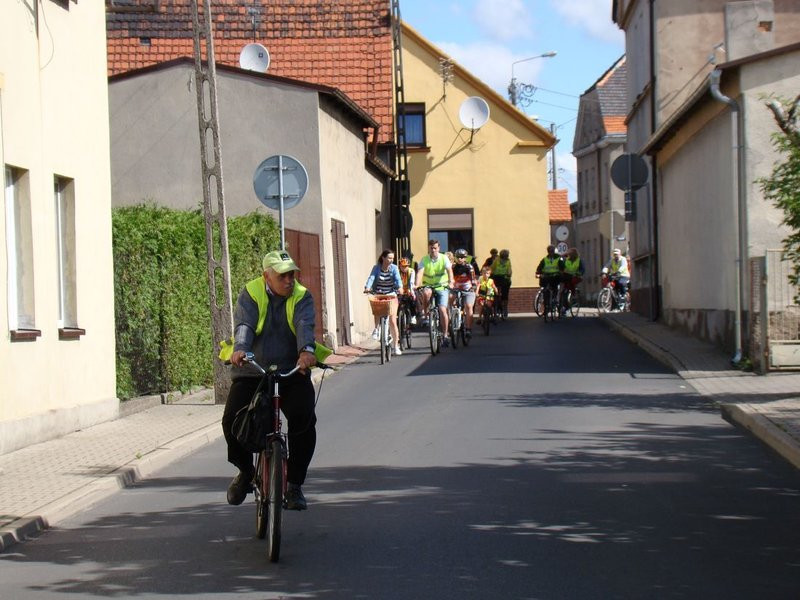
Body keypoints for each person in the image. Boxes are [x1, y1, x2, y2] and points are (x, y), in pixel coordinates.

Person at [221, 250, 327, 511]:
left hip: (292, 370)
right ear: (266, 276)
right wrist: (241, 350)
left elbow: (305, 324)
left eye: (292, 274)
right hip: (253, 371)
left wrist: (306, 352)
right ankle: (246, 472)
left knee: (304, 419)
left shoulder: (301, 295)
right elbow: (244, 325)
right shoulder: (252, 292)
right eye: (282, 275)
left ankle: (294, 486)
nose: (289, 280)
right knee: (232, 420)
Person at [416, 239, 455, 347]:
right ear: (428, 248)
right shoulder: (424, 259)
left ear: (439, 248)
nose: (433, 250)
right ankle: (426, 315)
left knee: (443, 310)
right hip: (428, 285)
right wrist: (417, 284)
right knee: (426, 293)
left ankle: (445, 335)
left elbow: (449, 271)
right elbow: (420, 272)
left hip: (442, 286)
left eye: (435, 248)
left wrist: (451, 281)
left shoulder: (444, 258)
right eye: (431, 248)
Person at [364, 249, 403, 355]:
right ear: (383, 258)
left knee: (393, 321)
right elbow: (371, 278)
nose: (391, 260)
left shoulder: (394, 268)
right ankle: (376, 329)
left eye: (392, 258)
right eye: (389, 258)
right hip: (379, 294)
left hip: (391, 295)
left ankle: (396, 346)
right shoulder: (376, 268)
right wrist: (368, 287)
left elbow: (398, 279)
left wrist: (400, 287)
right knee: (376, 309)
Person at [451, 248, 478, 338]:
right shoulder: (453, 267)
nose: (460, 259)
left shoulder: (469, 267)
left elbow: (473, 279)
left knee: (469, 306)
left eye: (462, 257)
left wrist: (473, 287)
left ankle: (468, 329)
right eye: (458, 257)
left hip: (468, 289)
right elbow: (449, 278)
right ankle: (450, 321)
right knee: (449, 301)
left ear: (465, 258)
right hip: (456, 289)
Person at [535, 245, 564, 311]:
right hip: (547, 276)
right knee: (545, 289)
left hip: (555, 276)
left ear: (554, 251)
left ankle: (555, 300)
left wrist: (561, 273)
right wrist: (538, 273)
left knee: (555, 288)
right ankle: (546, 306)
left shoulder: (559, 259)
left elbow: (562, 267)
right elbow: (539, 267)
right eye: (549, 251)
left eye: (552, 251)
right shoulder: (545, 259)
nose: (550, 252)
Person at [561, 247, 585, 315]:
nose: (568, 255)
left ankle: (572, 299)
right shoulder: (566, 260)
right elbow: (562, 267)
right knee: (564, 291)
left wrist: (579, 273)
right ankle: (562, 305)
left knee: (570, 286)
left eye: (569, 254)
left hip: (575, 277)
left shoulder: (579, 260)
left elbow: (582, 269)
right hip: (567, 277)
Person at [491, 249, 512, 319]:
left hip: (501, 279)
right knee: (502, 294)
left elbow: (509, 270)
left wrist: (509, 274)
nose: (506, 257)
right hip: (499, 278)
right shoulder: (497, 260)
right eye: (505, 256)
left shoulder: (503, 260)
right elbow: (492, 268)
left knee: (502, 294)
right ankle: (503, 309)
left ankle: (503, 308)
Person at [398, 257, 419, 325]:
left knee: (413, 300)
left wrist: (411, 291)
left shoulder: (411, 271)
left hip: (409, 288)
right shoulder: (397, 271)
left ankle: (413, 316)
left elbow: (411, 282)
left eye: (406, 266)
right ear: (400, 266)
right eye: (402, 266)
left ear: (408, 266)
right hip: (400, 289)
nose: (404, 268)